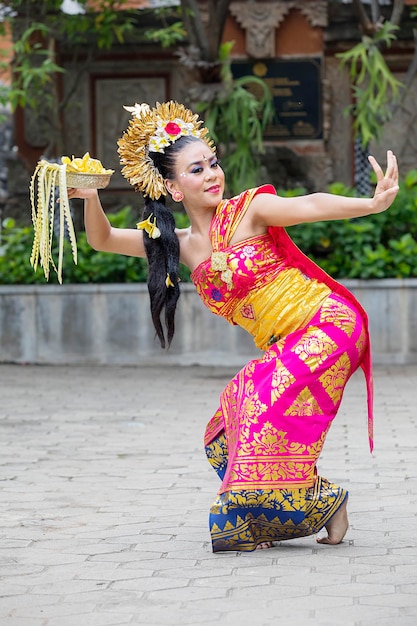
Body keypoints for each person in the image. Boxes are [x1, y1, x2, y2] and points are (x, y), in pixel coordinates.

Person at [67, 101, 399, 552]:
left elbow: (309, 204)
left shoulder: (250, 211)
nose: (212, 174)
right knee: (229, 424)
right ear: (173, 188)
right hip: (287, 342)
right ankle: (322, 504)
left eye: (213, 162)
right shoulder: (178, 246)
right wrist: (90, 198)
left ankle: (259, 520)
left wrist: (371, 203)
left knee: (263, 401)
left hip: (328, 322)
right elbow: (102, 239)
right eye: (197, 168)